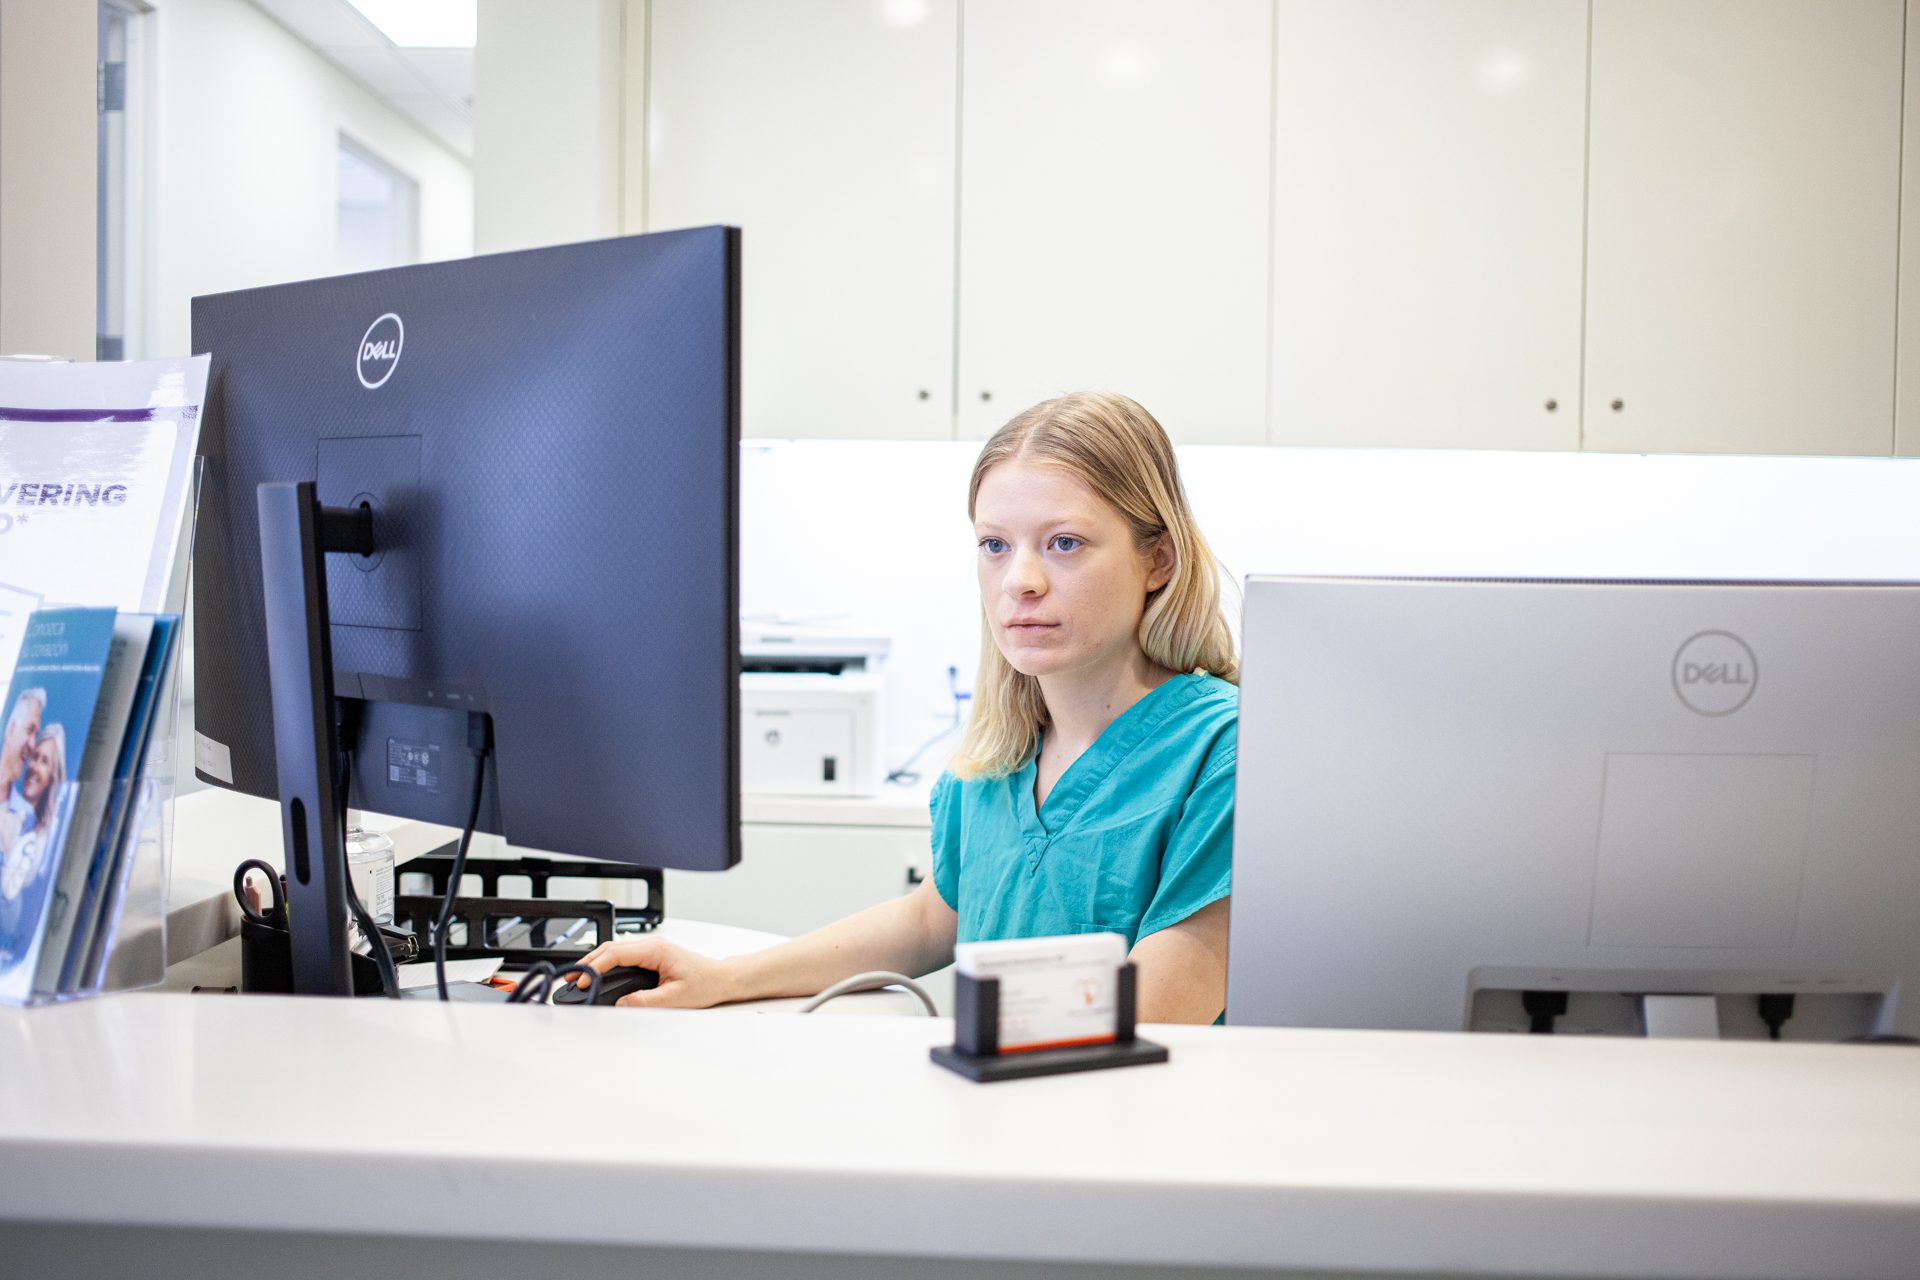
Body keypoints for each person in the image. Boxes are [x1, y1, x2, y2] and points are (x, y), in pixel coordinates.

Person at [578, 392, 1239, 1022]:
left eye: (1064, 543)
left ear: (1158, 560)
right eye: (995, 545)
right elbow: (930, 917)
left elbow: (1163, 1004)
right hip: (993, 1114)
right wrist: (727, 977)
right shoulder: (998, 757)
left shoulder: (1224, 752)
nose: (1021, 581)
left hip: (1123, 1128)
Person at [0, 689, 46, 861]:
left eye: (36, 735)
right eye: (29, 730)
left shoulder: (27, 818)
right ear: (11, 729)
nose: (32, 744)